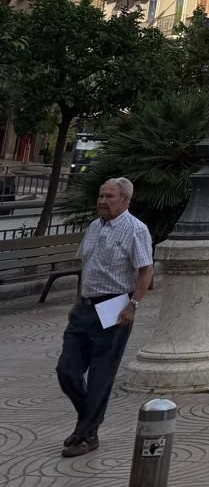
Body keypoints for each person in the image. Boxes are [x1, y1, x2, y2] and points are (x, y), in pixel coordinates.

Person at [57, 177, 153, 458]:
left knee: (101, 375)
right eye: (101, 196)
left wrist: (133, 304)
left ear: (125, 200)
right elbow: (85, 266)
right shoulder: (94, 227)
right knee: (67, 370)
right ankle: (89, 421)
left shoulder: (136, 230)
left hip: (114, 308)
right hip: (85, 308)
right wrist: (77, 301)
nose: (102, 201)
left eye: (109, 196)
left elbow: (146, 270)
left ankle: (86, 433)